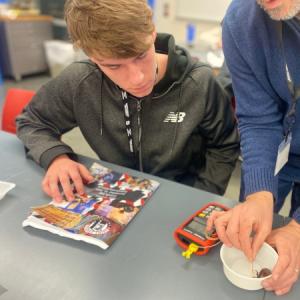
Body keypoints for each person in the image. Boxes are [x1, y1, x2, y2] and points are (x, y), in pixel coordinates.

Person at [16, 0, 239, 204]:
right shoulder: (80, 81)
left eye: (141, 56)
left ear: (152, 33)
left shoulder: (199, 82)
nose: (137, 78)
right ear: (92, 56)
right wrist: (56, 157)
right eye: (113, 66)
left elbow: (224, 145)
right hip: (120, 194)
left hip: (182, 194)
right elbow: (32, 121)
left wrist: (201, 197)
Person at [207, 0, 300, 296]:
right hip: (278, 154)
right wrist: (259, 194)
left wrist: (297, 229)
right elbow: (258, 118)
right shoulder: (241, 21)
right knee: (251, 228)